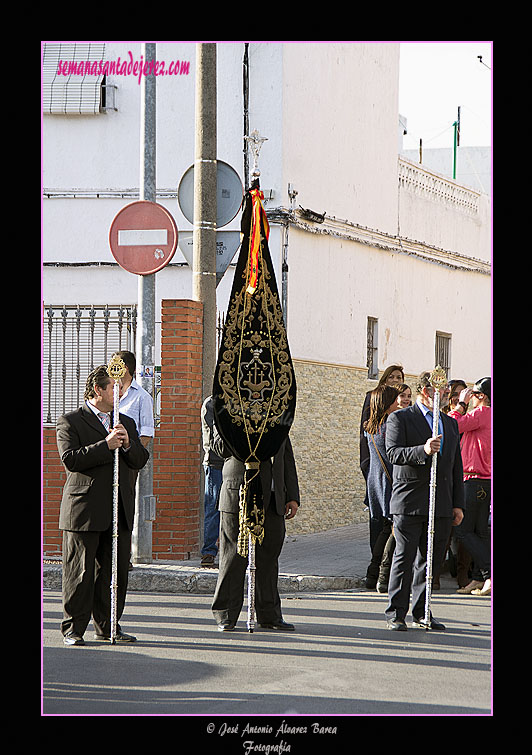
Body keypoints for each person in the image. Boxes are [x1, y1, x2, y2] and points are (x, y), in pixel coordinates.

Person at [56, 366, 149, 645]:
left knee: (114, 572)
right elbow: (71, 459)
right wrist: (105, 445)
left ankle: (109, 626)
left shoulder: (126, 422)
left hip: (117, 508)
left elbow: (140, 460)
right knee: (80, 572)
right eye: (114, 388)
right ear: (98, 390)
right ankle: (73, 629)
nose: (120, 393)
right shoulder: (71, 421)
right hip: (83, 510)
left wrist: (128, 443)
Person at [384, 370, 465, 631]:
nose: (443, 398)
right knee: (404, 557)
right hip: (409, 500)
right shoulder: (401, 418)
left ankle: (422, 610)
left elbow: (456, 466)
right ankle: (396, 612)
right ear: (425, 392)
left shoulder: (449, 424)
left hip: (440, 503)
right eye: (437, 392)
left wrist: (457, 503)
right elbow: (393, 453)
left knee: (430, 561)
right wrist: (424, 450)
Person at [210, 426, 300, 632]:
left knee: (269, 556)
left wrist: (292, 495)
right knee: (233, 556)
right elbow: (219, 447)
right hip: (239, 492)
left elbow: (286, 454)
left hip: (272, 495)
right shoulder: (227, 404)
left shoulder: (275, 406)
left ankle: (269, 615)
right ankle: (226, 615)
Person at [359, 364, 405, 571]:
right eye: (392, 377)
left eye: (399, 377)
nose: (396, 380)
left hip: (380, 474)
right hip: (382, 474)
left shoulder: (391, 418)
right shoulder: (383, 418)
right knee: (386, 523)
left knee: (385, 522)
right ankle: (381, 568)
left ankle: (376, 568)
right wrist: (366, 467)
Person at [448, 378, 491, 596]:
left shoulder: (482, 413)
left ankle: (489, 573)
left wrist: (460, 405)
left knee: (462, 529)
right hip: (485, 481)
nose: (470, 397)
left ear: (480, 396)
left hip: (473, 479)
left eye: (472, 394)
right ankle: (478, 578)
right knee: (480, 531)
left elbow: (451, 424)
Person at [362, 385, 400, 592]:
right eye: (395, 400)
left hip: (377, 482)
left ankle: (372, 574)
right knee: (393, 528)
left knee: (386, 528)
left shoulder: (371, 426)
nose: (399, 403)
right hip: (389, 483)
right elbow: (392, 458)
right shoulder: (388, 428)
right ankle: (382, 576)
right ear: (387, 404)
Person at [112, 351, 155, 449]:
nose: (110, 370)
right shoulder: (109, 392)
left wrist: (134, 454)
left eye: (114, 366)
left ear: (125, 368)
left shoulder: (143, 397)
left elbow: (147, 432)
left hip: (127, 453)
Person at [200, 396, 223, 567]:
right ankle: (208, 552)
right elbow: (215, 437)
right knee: (213, 508)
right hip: (215, 462)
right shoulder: (212, 403)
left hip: (230, 462)